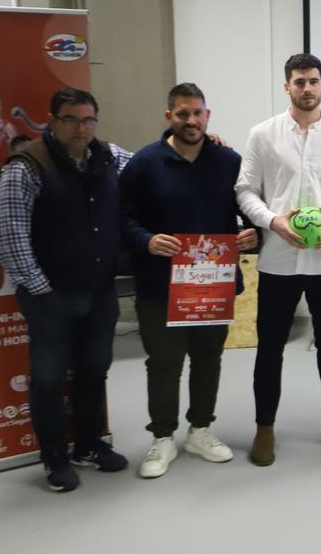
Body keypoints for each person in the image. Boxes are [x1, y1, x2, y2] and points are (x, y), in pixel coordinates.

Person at [235, 54, 321, 465]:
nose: (307, 88)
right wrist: (272, 221)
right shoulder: (262, 135)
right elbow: (245, 190)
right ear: (287, 87)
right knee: (270, 348)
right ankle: (264, 427)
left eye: (313, 81)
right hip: (278, 260)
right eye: (299, 82)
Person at [0, 87, 132, 492]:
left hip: (99, 292)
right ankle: (54, 458)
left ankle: (88, 445)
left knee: (93, 370)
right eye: (71, 119)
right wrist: (42, 288)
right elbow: (9, 235)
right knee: (48, 379)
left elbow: (151, 165)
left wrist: (199, 141)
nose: (81, 128)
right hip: (48, 295)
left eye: (88, 120)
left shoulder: (109, 156)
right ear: (52, 120)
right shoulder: (27, 166)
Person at [119, 83, 259, 478]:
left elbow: (252, 208)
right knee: (164, 363)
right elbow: (121, 218)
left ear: (207, 115)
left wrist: (254, 235)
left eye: (197, 113)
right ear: (169, 117)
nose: (191, 121)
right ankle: (163, 437)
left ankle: (200, 430)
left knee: (208, 358)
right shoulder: (144, 163)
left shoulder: (229, 161)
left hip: (213, 284)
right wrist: (146, 240)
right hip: (160, 286)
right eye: (182, 114)